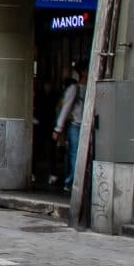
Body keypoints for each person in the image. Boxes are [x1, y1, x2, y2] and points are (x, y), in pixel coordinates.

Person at [52, 63, 87, 195]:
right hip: (75, 126)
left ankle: (74, 182)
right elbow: (65, 108)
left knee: (77, 155)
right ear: (83, 72)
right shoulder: (74, 88)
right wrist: (58, 128)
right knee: (75, 155)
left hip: (86, 127)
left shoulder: (91, 87)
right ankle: (71, 182)